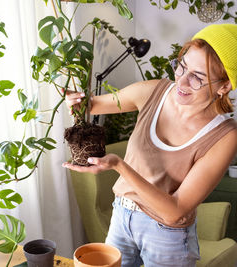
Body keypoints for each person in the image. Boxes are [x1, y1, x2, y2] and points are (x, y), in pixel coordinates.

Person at [62, 24, 237, 267]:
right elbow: (93, 105)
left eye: (197, 77)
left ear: (225, 86)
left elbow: (175, 210)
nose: (181, 82)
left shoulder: (224, 136)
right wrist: (75, 97)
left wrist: (120, 166)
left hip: (168, 235)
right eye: (182, 67)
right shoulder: (154, 92)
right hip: (121, 216)